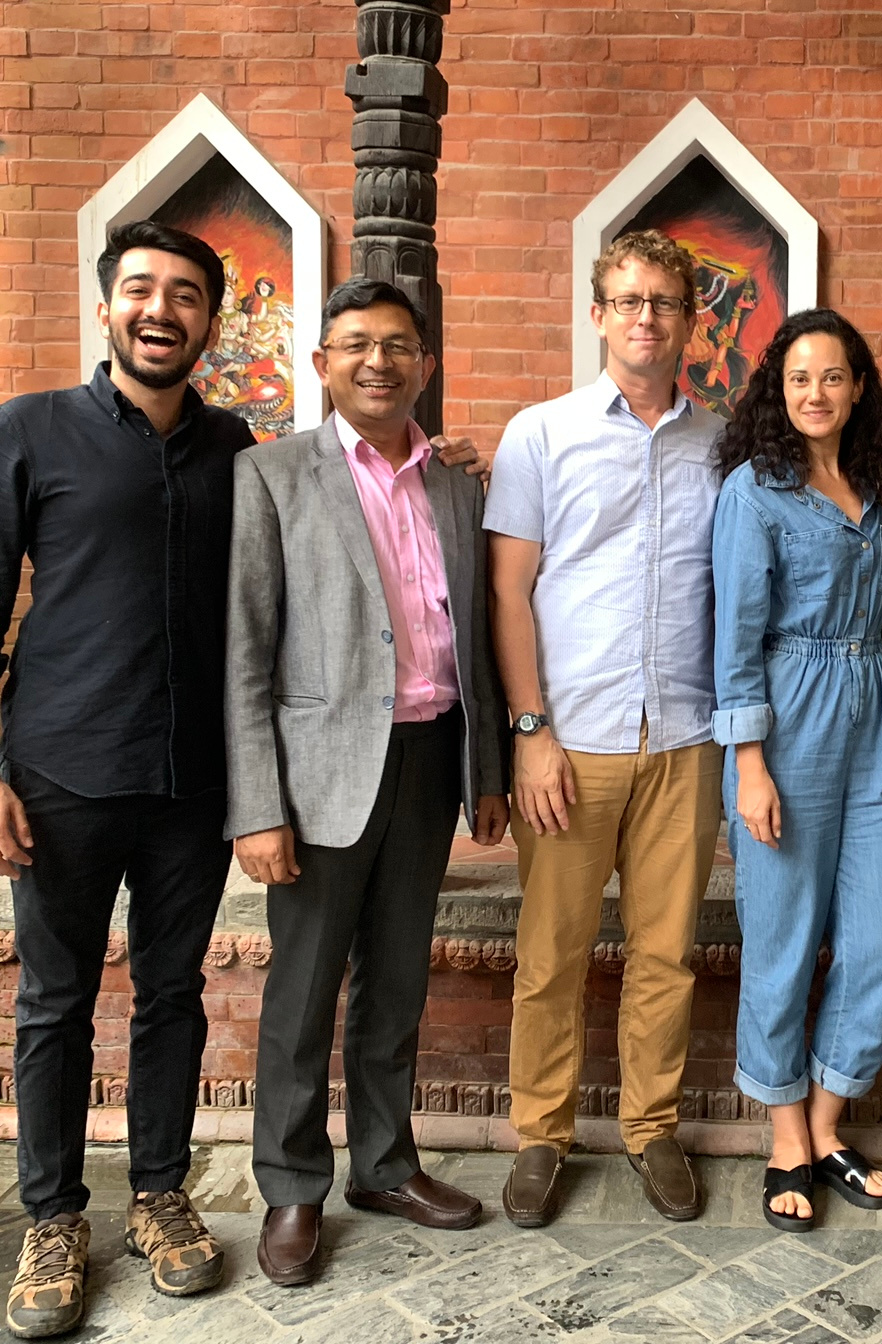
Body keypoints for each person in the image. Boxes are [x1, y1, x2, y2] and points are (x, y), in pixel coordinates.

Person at [0, 223, 247, 1339]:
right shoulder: (28, 432)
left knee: (172, 996)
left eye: (187, 296)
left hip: (191, 787)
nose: (163, 311)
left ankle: (159, 1195)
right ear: (107, 306)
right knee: (53, 1006)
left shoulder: (236, 450)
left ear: (213, 320)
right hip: (59, 776)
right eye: (142, 290)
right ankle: (52, 1216)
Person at [224, 278, 512, 1286]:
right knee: (302, 995)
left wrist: (487, 771)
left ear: (424, 364)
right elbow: (245, 652)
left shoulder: (455, 482)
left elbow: (472, 631)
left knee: (394, 984)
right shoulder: (270, 478)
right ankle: (292, 1187)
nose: (377, 362)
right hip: (320, 776)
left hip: (431, 758)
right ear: (322, 363)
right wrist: (257, 808)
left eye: (397, 345)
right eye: (355, 345)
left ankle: (385, 1164)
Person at [485, 229, 725, 1227]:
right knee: (552, 953)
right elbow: (508, 589)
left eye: (663, 303)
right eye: (626, 301)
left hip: (684, 737)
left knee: (665, 954)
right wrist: (528, 730)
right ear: (596, 315)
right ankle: (540, 1135)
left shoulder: (720, 442)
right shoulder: (539, 434)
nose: (644, 319)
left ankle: (649, 1127)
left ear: (688, 322)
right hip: (570, 742)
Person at [711, 310, 882, 1231]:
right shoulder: (755, 490)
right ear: (776, 392)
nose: (816, 394)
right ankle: (785, 1134)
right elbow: (737, 633)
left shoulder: (873, 484)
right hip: (787, 719)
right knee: (785, 937)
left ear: (858, 386)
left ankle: (829, 1119)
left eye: (833, 377)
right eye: (799, 379)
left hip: (875, 710)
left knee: (875, 936)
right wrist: (749, 763)